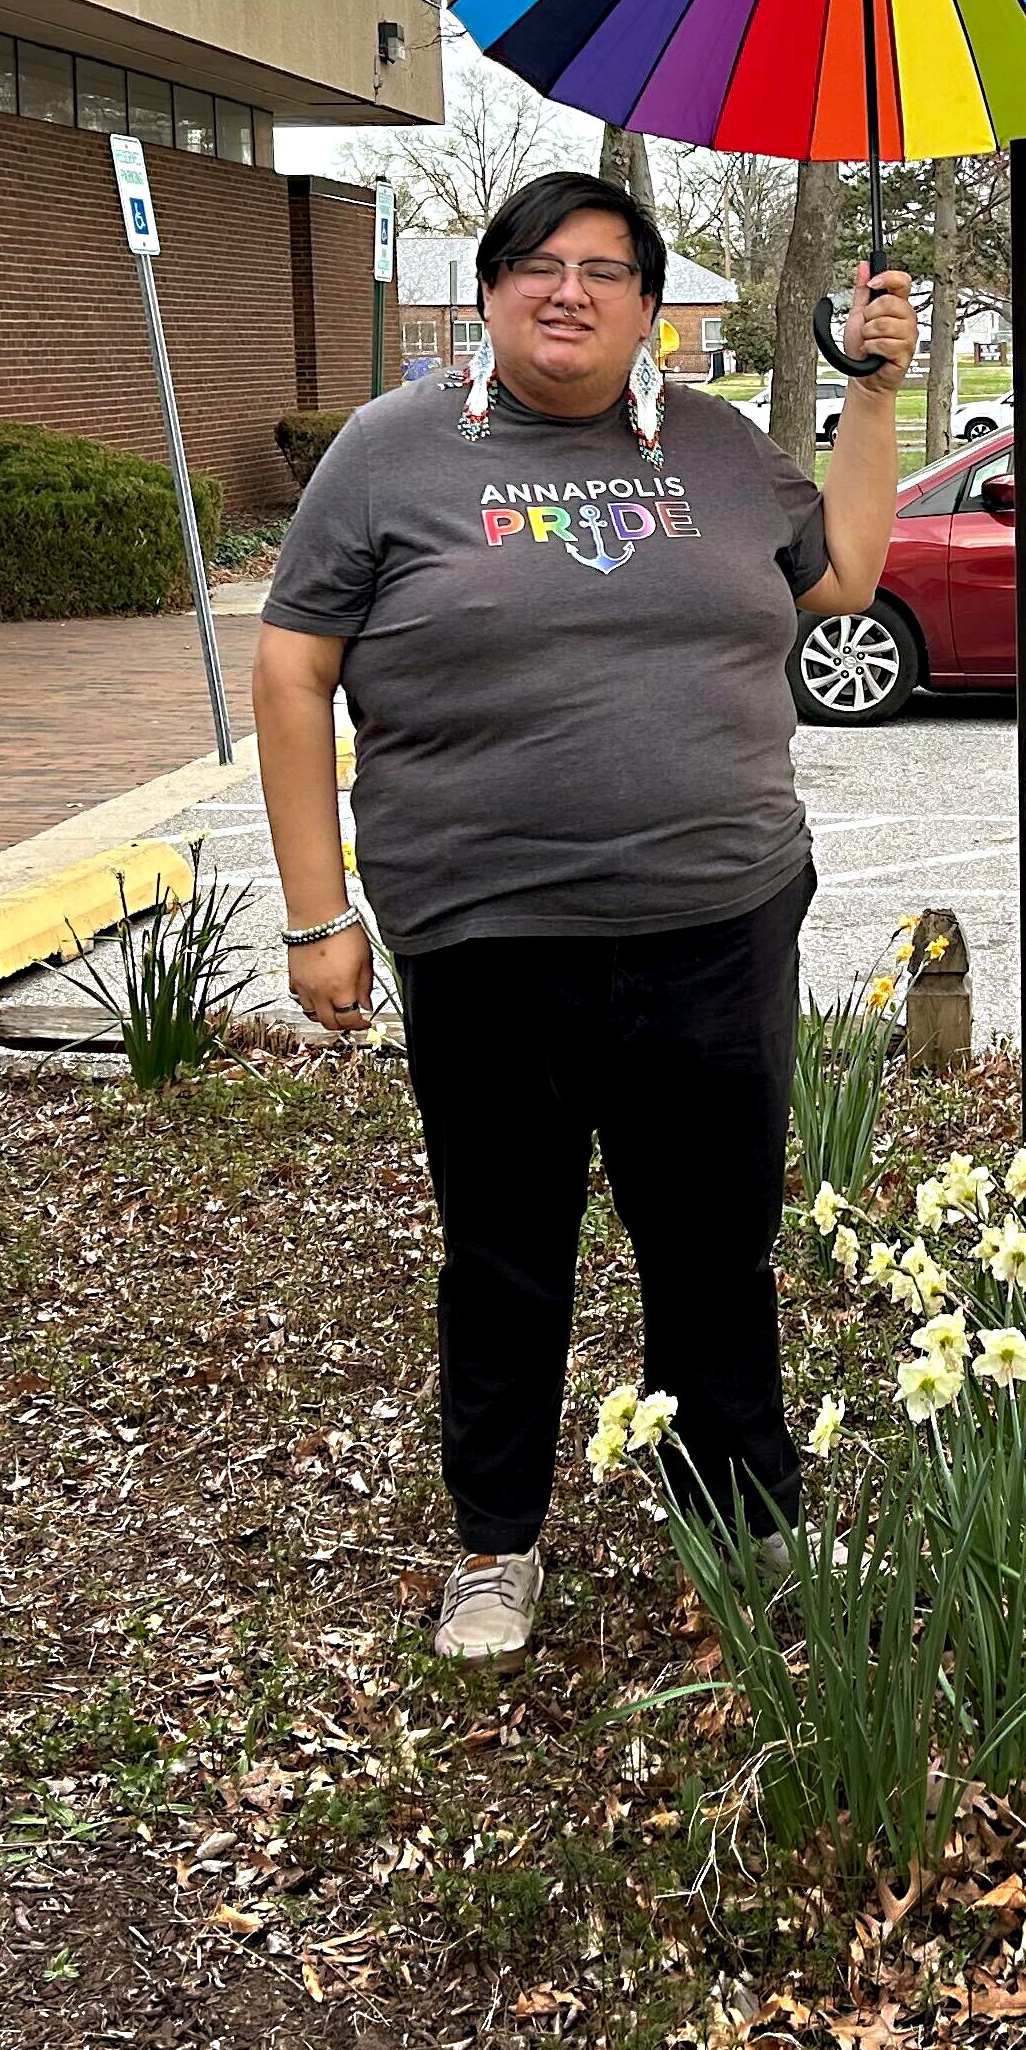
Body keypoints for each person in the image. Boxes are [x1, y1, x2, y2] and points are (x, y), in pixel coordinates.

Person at [251, 170, 918, 1661]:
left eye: (607, 270)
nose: (571, 293)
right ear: (489, 293)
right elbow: (292, 673)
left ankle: (740, 1518)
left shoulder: (725, 451)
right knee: (506, 1248)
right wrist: (318, 916)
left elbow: (851, 579)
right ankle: (497, 1544)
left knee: (715, 1242)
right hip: (487, 936)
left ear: (649, 304)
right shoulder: (388, 455)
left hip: (717, 916)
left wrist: (875, 392)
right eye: (539, 266)